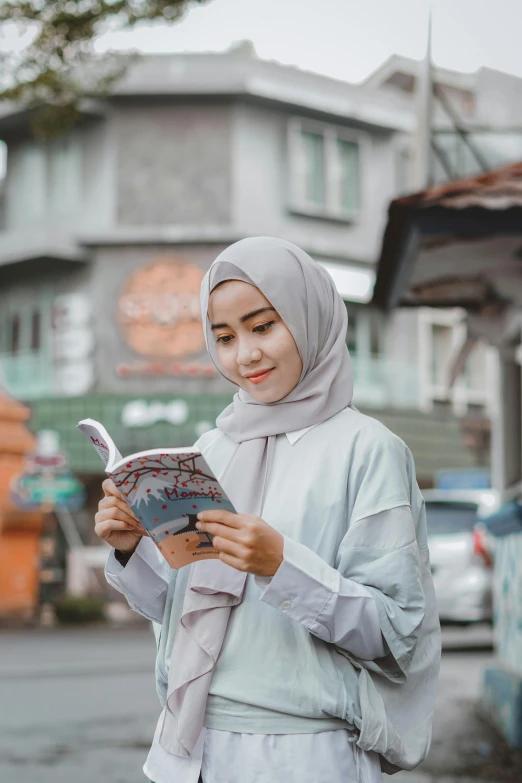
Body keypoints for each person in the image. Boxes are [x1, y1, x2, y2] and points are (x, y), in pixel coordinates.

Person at [95, 237, 441, 783]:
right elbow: (179, 605)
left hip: (308, 749)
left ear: (310, 317)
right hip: (194, 744)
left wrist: (282, 564)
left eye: (262, 326)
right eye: (225, 337)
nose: (246, 355)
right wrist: (129, 547)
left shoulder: (368, 449)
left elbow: (395, 632)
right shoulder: (211, 450)